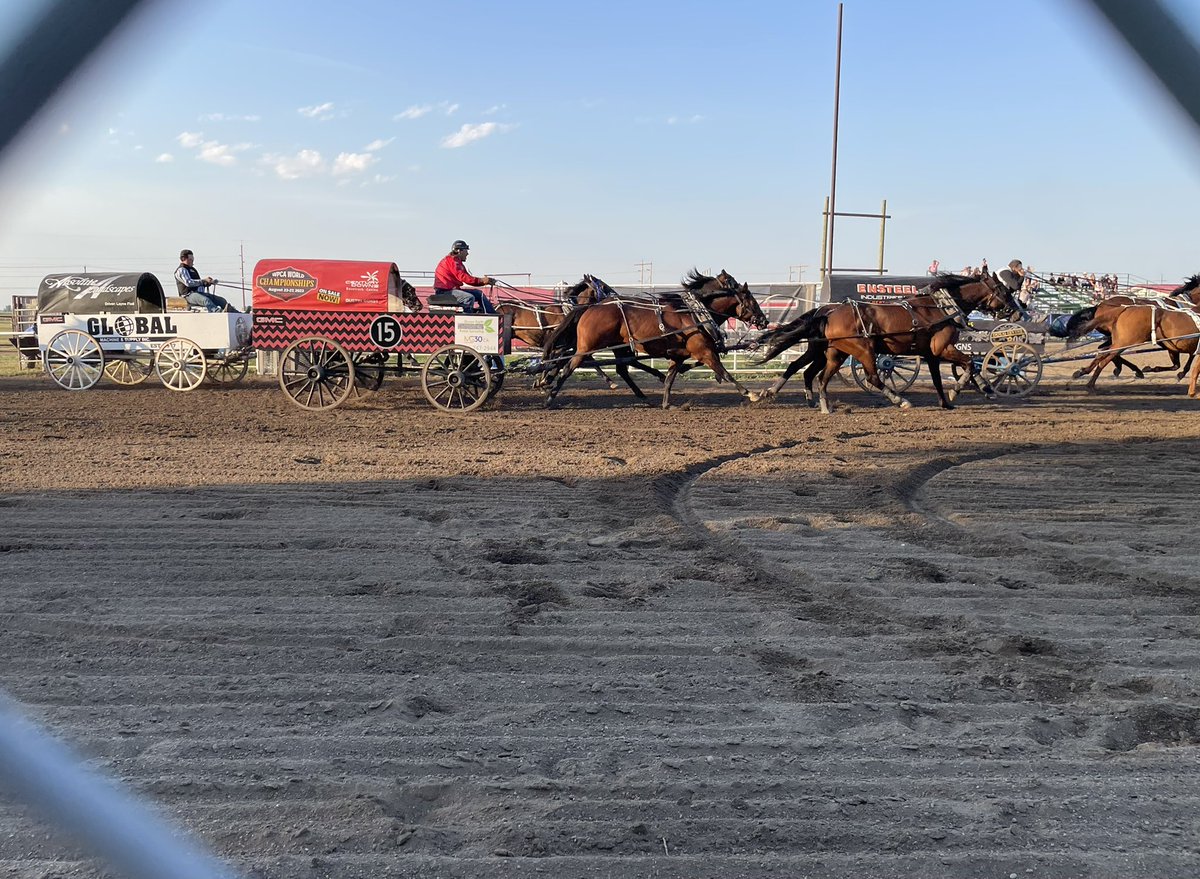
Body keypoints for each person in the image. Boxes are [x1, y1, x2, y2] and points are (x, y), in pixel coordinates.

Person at [433, 240, 496, 314]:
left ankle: (491, 314)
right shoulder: (452, 261)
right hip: (444, 292)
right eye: (466, 250)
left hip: (451, 291)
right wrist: (482, 281)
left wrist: (484, 281)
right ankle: (467, 318)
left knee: (479, 294)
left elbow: (468, 278)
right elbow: (464, 277)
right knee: (468, 298)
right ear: (459, 251)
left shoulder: (457, 262)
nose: (467, 254)